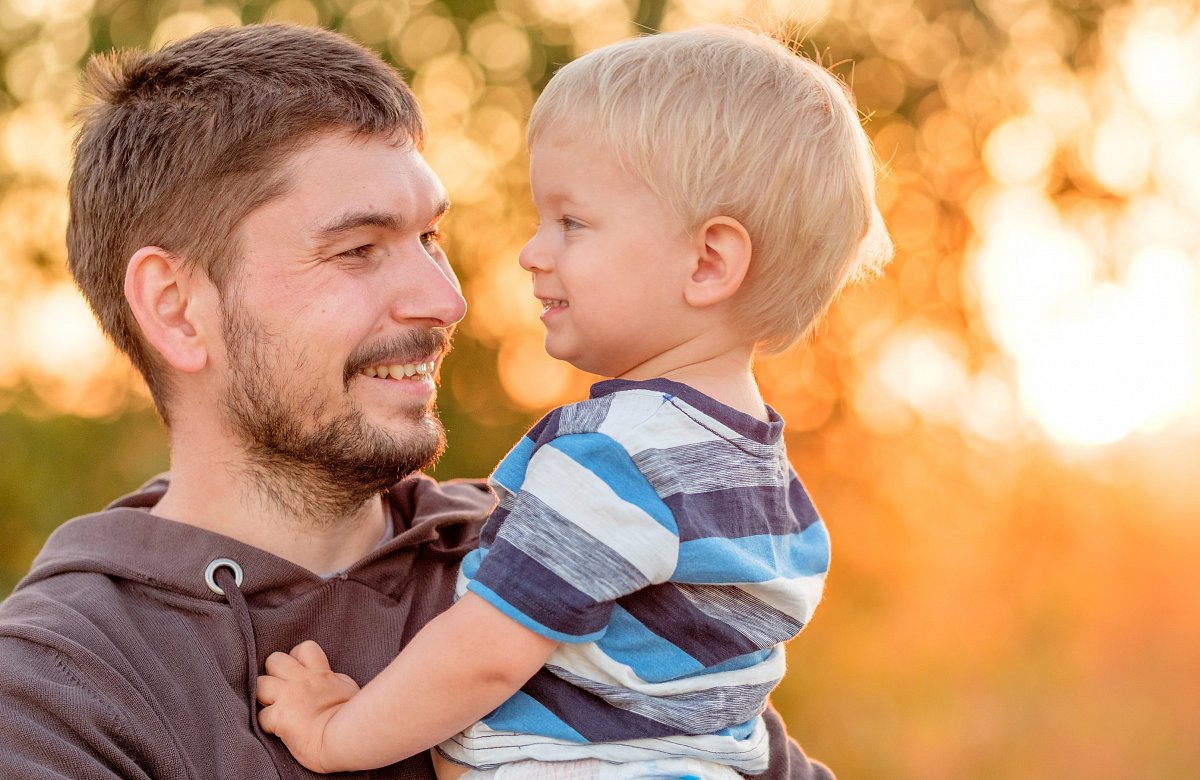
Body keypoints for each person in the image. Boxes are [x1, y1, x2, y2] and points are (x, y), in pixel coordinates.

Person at [0, 22, 837, 780]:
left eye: (429, 238)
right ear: (178, 308)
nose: (446, 301)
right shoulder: (58, 689)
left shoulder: (568, 541)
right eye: (360, 249)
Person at [255, 25, 891, 780]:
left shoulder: (616, 458)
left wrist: (338, 731)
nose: (533, 251)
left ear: (709, 261)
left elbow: (485, 656)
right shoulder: (764, 481)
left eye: (571, 222)